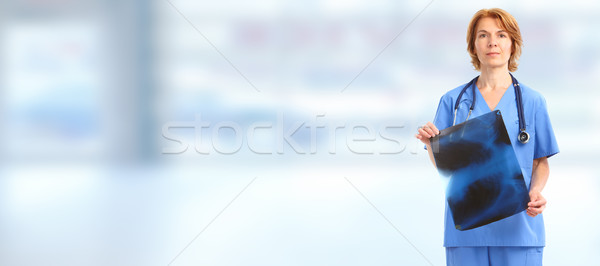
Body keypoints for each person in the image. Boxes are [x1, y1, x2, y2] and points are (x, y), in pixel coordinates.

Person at [414, 8, 559, 266]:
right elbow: (447, 170)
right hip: (467, 233)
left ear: (512, 44)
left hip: (520, 229)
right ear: (473, 45)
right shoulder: (452, 102)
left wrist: (536, 191)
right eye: (483, 35)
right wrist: (432, 147)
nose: (493, 42)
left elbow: (539, 162)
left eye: (501, 35)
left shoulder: (533, 102)